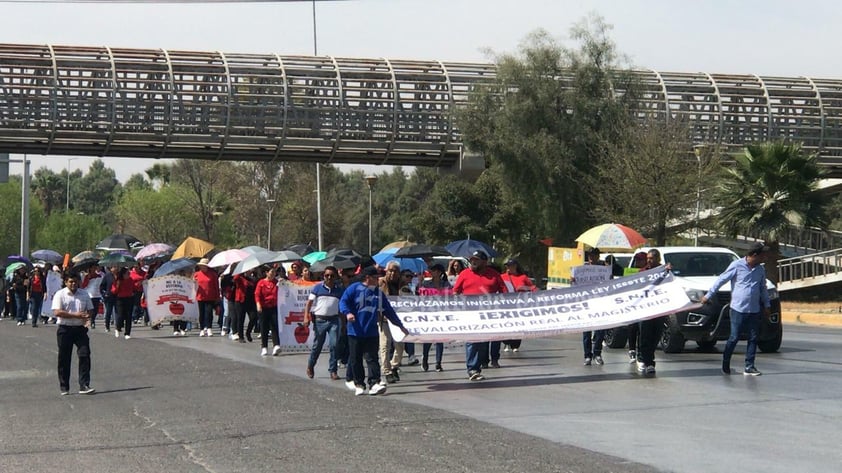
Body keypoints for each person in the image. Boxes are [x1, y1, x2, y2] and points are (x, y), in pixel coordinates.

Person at [701, 242, 771, 376]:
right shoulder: (737, 265)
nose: (764, 257)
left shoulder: (760, 270)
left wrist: (767, 305)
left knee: (753, 337)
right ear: (755, 255)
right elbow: (721, 280)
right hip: (738, 309)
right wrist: (708, 295)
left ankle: (749, 366)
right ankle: (725, 364)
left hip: (754, 309)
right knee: (734, 337)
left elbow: (763, 288)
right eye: (763, 255)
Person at [339, 266, 408, 396]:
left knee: (372, 358)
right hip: (355, 331)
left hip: (371, 332)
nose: (378, 279)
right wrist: (348, 313)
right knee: (356, 359)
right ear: (367, 277)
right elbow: (343, 302)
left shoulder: (378, 293)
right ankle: (359, 383)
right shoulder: (354, 289)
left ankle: (374, 383)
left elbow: (389, 311)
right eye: (375, 277)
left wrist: (400, 325)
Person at [453, 250, 508, 381]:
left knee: (483, 342)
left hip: (487, 314)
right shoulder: (464, 274)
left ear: (485, 262)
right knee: (472, 341)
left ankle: (482, 362)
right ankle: (472, 369)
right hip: (469, 314)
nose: (473, 262)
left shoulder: (494, 275)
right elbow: (455, 291)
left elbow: (504, 292)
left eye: (476, 259)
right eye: (472, 259)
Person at [52, 272, 96, 396]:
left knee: (84, 354)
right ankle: (64, 386)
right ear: (66, 282)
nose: (73, 284)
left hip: (80, 329)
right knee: (64, 358)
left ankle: (84, 385)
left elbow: (90, 309)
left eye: (75, 281)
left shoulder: (84, 294)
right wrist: (74, 315)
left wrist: (88, 316)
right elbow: (57, 312)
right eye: (70, 281)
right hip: (65, 329)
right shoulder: (60, 294)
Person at [303, 265, 344, 380]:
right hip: (320, 320)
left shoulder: (339, 290)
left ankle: (333, 371)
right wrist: (306, 317)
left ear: (335, 276)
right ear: (323, 276)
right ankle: (311, 365)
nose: (329, 278)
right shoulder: (317, 288)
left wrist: (344, 324)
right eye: (327, 275)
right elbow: (309, 303)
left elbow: (341, 308)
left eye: (332, 275)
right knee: (317, 346)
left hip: (334, 320)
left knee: (334, 345)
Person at [636, 249, 668, 375]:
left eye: (651, 258)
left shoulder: (664, 271)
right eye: (648, 258)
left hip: (659, 310)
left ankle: (647, 356)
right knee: (645, 335)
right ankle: (648, 362)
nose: (649, 261)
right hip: (645, 310)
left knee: (656, 335)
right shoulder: (643, 272)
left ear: (658, 259)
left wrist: (668, 270)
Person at [418, 263, 451, 372]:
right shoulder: (426, 284)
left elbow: (451, 297)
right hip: (429, 314)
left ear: (440, 272)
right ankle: (425, 358)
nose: (432, 272)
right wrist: (420, 283)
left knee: (439, 339)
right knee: (428, 339)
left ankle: (438, 363)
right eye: (431, 270)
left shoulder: (446, 284)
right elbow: (420, 295)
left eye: (434, 270)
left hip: (441, 314)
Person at [500, 259, 537, 353]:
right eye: (507, 266)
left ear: (515, 266)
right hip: (506, 305)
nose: (508, 268)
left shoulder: (523, 277)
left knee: (518, 326)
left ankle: (515, 344)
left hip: (520, 306)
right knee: (506, 325)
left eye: (510, 265)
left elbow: (533, 288)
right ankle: (506, 342)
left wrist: (524, 288)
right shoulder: (502, 277)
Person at [581, 249, 607, 366]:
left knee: (600, 331)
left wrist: (609, 273)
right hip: (586, 304)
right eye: (589, 255)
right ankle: (587, 355)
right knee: (586, 332)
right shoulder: (582, 269)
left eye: (593, 255)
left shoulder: (604, 269)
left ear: (598, 256)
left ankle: (597, 354)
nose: (591, 257)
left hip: (600, 303)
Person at [255, 266, 281, 356]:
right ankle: (264, 347)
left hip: (273, 307)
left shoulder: (277, 283)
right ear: (266, 273)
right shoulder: (261, 283)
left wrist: (283, 282)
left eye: (274, 272)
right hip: (264, 308)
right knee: (264, 328)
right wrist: (258, 304)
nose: (273, 274)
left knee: (274, 326)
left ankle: (276, 345)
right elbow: (257, 295)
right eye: (271, 272)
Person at [194, 258, 220, 337]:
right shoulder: (196, 274)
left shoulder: (213, 274)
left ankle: (209, 328)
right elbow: (192, 285)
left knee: (209, 313)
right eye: (201, 266)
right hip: (200, 296)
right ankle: (202, 329)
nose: (202, 267)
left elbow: (216, 286)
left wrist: (217, 297)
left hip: (210, 296)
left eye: (204, 266)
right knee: (201, 313)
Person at [110, 266, 135, 339]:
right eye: (127, 273)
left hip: (129, 298)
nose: (129, 275)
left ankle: (127, 333)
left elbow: (134, 287)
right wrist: (118, 285)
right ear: (123, 274)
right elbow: (114, 291)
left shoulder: (130, 280)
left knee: (128, 316)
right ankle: (117, 328)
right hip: (120, 299)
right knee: (120, 315)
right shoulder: (118, 280)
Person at [81, 265, 103, 330]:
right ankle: (90, 320)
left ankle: (92, 319)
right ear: (90, 269)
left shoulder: (99, 276)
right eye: (93, 267)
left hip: (97, 295)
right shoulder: (87, 276)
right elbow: (84, 285)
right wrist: (88, 278)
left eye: (95, 267)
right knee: (90, 309)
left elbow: (100, 285)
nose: (94, 269)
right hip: (89, 295)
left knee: (96, 309)